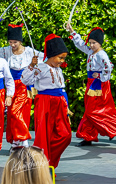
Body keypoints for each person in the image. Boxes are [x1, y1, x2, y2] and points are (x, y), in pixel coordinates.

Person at [66, 24, 116, 146]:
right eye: (90, 42)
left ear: (100, 43)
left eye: (94, 43)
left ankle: (111, 129)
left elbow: (109, 67)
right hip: (91, 83)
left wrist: (101, 76)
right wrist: (72, 31)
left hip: (99, 85)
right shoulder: (91, 52)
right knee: (89, 109)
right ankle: (88, 136)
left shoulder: (101, 55)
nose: (91, 45)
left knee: (94, 110)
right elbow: (81, 44)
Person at [21, 34, 71, 169]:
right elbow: (25, 80)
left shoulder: (58, 69)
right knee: (44, 136)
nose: (62, 60)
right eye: (60, 57)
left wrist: (66, 105)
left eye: (64, 58)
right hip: (45, 103)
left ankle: (48, 162)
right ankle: (43, 167)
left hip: (60, 103)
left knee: (65, 135)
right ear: (51, 55)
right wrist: (31, 65)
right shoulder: (41, 68)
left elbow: (62, 88)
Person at [0, 23, 44, 150]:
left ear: (20, 41)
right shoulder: (5, 51)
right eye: (10, 42)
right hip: (10, 85)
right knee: (12, 114)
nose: (12, 45)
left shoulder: (30, 51)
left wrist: (35, 63)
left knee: (18, 112)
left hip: (24, 84)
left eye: (15, 42)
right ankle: (15, 140)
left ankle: (23, 139)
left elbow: (45, 58)